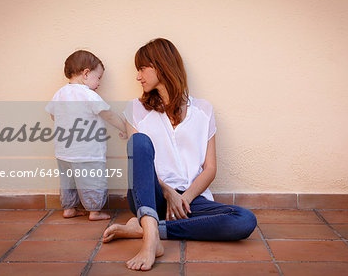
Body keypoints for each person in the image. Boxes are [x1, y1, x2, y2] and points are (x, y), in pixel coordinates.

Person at [102, 38, 257, 270]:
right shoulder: (135, 109)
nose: (138, 76)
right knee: (139, 142)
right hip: (152, 195)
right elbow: (140, 165)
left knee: (244, 220)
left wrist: (184, 198)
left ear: (161, 66)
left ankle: (149, 229)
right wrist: (169, 193)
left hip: (191, 200)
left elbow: (210, 168)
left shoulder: (203, 110)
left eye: (142, 68)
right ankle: (151, 233)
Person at [46, 50, 127, 221]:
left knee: (68, 181)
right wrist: (125, 128)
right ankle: (95, 211)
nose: (98, 83)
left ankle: (69, 208)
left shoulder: (59, 94)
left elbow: (53, 115)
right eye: (98, 78)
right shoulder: (89, 94)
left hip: (64, 152)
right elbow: (108, 114)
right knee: (92, 181)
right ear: (86, 73)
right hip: (88, 152)